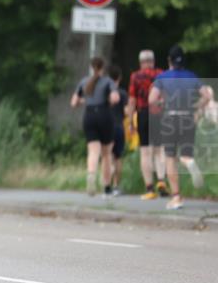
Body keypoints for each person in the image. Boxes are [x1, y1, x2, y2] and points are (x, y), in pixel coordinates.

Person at [149, 45, 211, 210]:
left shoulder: (162, 77)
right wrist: (196, 107)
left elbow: (151, 99)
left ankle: (176, 197)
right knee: (185, 154)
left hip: (170, 118)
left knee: (170, 157)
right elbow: (206, 95)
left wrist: (162, 103)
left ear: (169, 60)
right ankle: (189, 161)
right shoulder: (192, 76)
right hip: (188, 118)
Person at [70, 57, 120, 197]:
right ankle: (107, 186)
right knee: (106, 154)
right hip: (104, 115)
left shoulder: (83, 82)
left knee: (93, 151)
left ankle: (91, 176)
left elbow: (73, 102)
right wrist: (110, 100)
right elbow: (115, 98)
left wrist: (84, 101)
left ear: (91, 68)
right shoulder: (108, 81)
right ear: (103, 68)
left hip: (89, 116)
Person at [126, 49, 167, 199]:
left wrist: (130, 121)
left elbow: (132, 101)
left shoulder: (135, 76)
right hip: (158, 114)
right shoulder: (161, 74)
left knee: (145, 152)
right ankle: (161, 181)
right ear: (153, 61)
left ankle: (149, 188)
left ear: (141, 62)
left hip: (143, 114)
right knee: (159, 150)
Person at [108, 65, 129, 197]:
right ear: (119, 78)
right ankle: (116, 186)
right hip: (119, 126)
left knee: (108, 156)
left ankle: (107, 186)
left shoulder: (105, 93)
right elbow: (126, 112)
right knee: (118, 157)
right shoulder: (122, 93)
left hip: (107, 127)